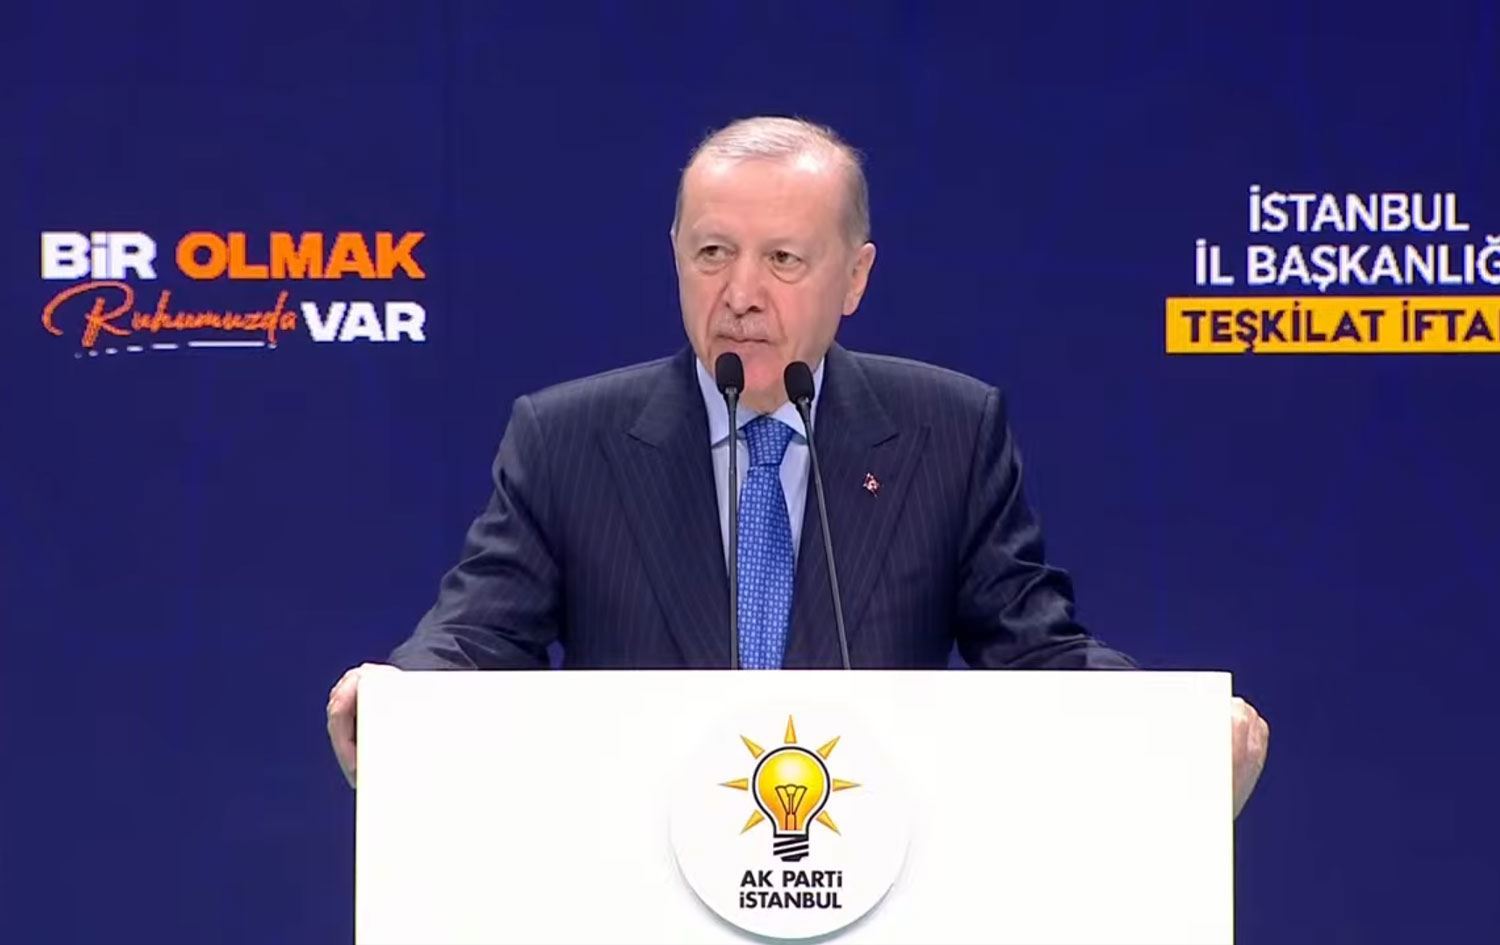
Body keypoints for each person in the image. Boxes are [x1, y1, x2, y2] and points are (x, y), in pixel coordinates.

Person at [326, 116, 1269, 814]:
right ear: (675, 257)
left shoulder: (948, 431)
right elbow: (477, 636)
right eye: (712, 253)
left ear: (854, 277)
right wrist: (397, 697)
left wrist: (1169, 729)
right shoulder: (568, 439)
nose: (740, 293)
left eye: (783, 259)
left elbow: (1036, 650)